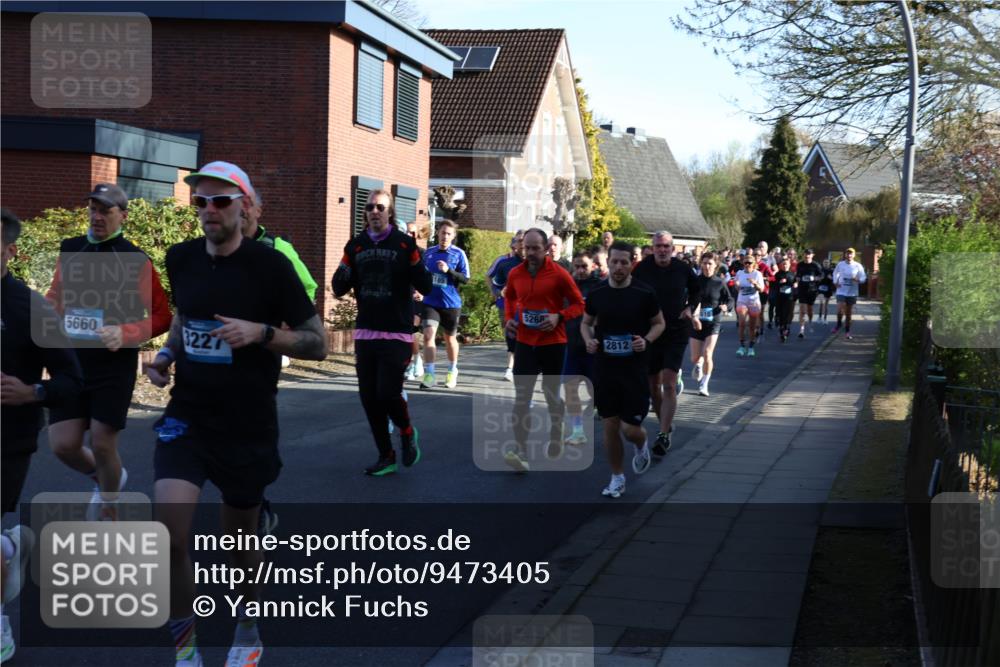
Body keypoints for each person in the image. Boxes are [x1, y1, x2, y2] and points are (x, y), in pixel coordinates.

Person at [144, 161, 328, 667]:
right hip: (188, 417)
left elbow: (320, 343)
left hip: (247, 424)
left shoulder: (271, 267)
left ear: (245, 206)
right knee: (170, 537)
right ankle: (186, 650)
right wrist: (165, 356)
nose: (208, 210)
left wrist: (263, 334)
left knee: (238, 547)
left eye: (220, 200)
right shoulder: (180, 258)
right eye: (199, 201)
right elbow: (186, 318)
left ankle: (248, 623)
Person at [46, 183, 172, 521]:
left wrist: (126, 332)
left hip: (113, 365)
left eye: (106, 210)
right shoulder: (71, 249)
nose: (97, 216)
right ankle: (105, 481)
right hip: (72, 361)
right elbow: (56, 297)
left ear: (123, 216)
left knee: (103, 443)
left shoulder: (135, 259)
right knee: (63, 445)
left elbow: (163, 316)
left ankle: (109, 504)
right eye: (93, 209)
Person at [1, 208, 83, 664]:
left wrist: (32, 391)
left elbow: (71, 382)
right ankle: (11, 546)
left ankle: (0, 628)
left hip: (7, 438)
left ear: (10, 252)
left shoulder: (28, 307)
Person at [333, 189, 432, 476]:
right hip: (366, 332)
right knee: (369, 398)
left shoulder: (404, 244)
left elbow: (425, 286)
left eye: (380, 207)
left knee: (387, 393)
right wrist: (344, 269)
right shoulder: (355, 246)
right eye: (370, 207)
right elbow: (339, 286)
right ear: (365, 214)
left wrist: (416, 261)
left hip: (397, 332)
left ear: (390, 213)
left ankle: (407, 431)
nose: (374, 211)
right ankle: (386, 456)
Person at [581, 242, 664, 498]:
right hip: (605, 368)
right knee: (610, 426)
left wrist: (647, 340)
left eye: (623, 262)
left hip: (634, 370)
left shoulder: (644, 293)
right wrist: (589, 340)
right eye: (614, 262)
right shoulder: (597, 293)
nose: (618, 267)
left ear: (631, 264)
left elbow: (660, 323)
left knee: (630, 429)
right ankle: (617, 477)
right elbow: (586, 323)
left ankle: (641, 443)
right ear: (608, 263)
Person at [502, 228, 585, 471]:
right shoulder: (516, 273)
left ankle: (557, 430)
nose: (530, 253)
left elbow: (579, 304)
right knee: (522, 398)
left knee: (550, 394)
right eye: (526, 248)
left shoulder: (559, 274)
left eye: (535, 248)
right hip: (526, 342)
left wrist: (559, 316)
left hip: (553, 343)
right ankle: (521, 451)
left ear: (546, 248)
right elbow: (509, 298)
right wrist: (509, 319)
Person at [632, 231, 700, 455]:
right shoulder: (642, 268)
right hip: (651, 331)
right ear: (652, 247)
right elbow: (632, 291)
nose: (662, 250)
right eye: (659, 246)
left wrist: (690, 307)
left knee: (669, 383)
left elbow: (697, 289)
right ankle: (666, 426)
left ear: (673, 248)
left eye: (666, 246)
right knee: (653, 385)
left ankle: (662, 435)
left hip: (676, 331)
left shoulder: (682, 268)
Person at [419, 220, 470, 389]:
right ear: (438, 233)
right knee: (428, 334)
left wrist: (449, 271)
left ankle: (451, 370)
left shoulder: (458, 254)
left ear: (453, 236)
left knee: (449, 338)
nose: (445, 236)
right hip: (430, 301)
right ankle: (429, 374)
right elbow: (421, 274)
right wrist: (419, 289)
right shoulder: (429, 253)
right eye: (443, 233)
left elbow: (465, 279)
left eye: (449, 234)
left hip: (450, 303)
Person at [562, 251, 602, 446]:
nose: (580, 270)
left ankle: (597, 404)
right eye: (576, 266)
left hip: (593, 347)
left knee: (595, 387)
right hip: (570, 345)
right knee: (570, 388)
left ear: (592, 266)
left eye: (584, 266)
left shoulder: (599, 287)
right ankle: (577, 430)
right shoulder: (566, 287)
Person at [689, 252, 732, 396]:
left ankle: (704, 385)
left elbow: (730, 299)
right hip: (697, 322)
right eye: (704, 263)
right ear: (700, 264)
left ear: (716, 266)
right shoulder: (695, 281)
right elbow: (687, 298)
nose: (707, 266)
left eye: (710, 264)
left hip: (714, 322)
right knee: (695, 358)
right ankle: (699, 364)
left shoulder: (720, 282)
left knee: (708, 353)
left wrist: (727, 307)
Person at [487, 230, 525, 382]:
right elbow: (488, 276)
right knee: (511, 334)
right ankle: (510, 368)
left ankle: (522, 364)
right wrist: (496, 292)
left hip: (527, 305)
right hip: (506, 304)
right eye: (519, 240)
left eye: (524, 240)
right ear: (514, 243)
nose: (522, 244)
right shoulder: (503, 261)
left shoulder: (534, 261)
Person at [832, 247, 867, 340]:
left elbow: (863, 278)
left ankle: (847, 331)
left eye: (851, 253)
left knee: (849, 313)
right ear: (845, 255)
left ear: (854, 255)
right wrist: (835, 282)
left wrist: (858, 280)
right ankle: (839, 324)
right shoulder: (840, 264)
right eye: (847, 253)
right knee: (840, 307)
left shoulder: (858, 266)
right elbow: (835, 273)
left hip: (852, 292)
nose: (849, 255)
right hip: (841, 291)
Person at [734, 255, 765, 357]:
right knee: (742, 323)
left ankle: (751, 347)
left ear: (754, 264)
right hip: (742, 301)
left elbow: (761, 289)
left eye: (749, 263)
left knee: (752, 327)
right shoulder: (739, 273)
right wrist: (737, 285)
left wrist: (755, 283)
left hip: (754, 302)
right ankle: (742, 346)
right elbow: (737, 287)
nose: (747, 265)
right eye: (745, 263)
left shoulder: (757, 274)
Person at [795, 249, 824, 337]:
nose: (807, 256)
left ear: (812, 255)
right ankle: (801, 330)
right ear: (804, 255)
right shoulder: (800, 265)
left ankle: (810, 320)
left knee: (809, 309)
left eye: (809, 254)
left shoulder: (815, 265)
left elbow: (821, 276)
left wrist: (815, 279)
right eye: (806, 254)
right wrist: (797, 279)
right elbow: (797, 275)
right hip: (802, 289)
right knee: (802, 310)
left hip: (812, 290)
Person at [772, 257, 797, 342]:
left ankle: (787, 327)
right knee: (780, 313)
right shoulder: (778, 274)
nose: (785, 265)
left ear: (789, 265)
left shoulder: (792, 274)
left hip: (789, 297)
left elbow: (795, 282)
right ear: (781, 265)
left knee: (788, 313)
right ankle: (782, 328)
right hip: (780, 297)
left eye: (786, 264)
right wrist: (779, 282)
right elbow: (774, 285)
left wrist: (795, 284)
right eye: (783, 264)